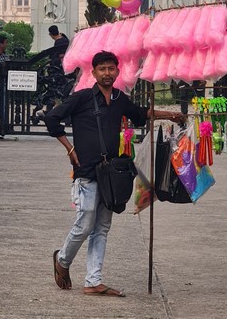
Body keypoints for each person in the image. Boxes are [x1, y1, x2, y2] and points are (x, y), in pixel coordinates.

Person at [45, 50, 185, 296]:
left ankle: (93, 281)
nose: (107, 73)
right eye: (102, 69)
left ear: (118, 72)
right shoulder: (82, 98)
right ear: (94, 73)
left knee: (102, 228)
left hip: (110, 174)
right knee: (85, 221)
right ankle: (63, 260)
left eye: (111, 69)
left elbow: (141, 114)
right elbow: (52, 119)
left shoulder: (120, 98)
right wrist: (69, 148)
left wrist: (170, 115)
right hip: (86, 171)